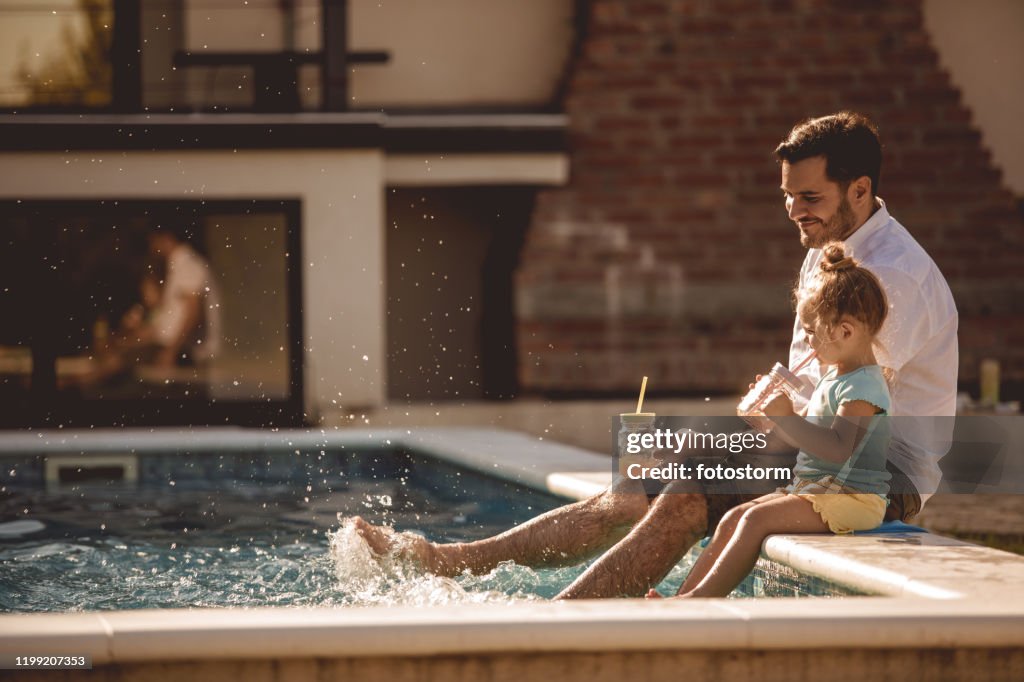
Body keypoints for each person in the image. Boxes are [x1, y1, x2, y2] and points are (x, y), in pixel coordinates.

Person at [351, 111, 959, 599]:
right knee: (636, 478)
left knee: (685, 493)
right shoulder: (829, 247)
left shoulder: (893, 279)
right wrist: (753, 409)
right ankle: (451, 560)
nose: (795, 211)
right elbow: (813, 377)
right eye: (789, 196)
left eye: (809, 196)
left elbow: (848, 426)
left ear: (860, 189)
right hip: (812, 450)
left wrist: (759, 422)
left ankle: (567, 626)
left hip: (876, 477)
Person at [648, 243, 892, 599]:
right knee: (735, 516)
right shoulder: (836, 376)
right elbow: (806, 440)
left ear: (845, 331)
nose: (807, 341)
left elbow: (839, 449)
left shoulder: (864, 387)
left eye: (812, 330)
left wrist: (786, 414)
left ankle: (693, 604)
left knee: (753, 520)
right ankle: (685, 596)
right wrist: (770, 423)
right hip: (817, 491)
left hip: (853, 500)